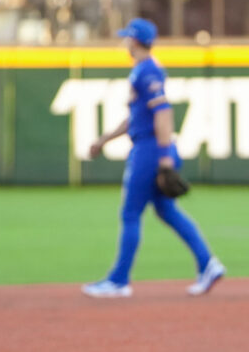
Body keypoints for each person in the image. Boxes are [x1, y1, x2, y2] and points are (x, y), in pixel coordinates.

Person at [81, 18, 225, 298]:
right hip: (150, 145)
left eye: (127, 38)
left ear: (134, 41)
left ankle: (119, 280)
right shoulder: (146, 70)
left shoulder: (146, 71)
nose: (124, 42)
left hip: (150, 149)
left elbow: (163, 113)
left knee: (131, 213)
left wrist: (163, 158)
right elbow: (137, 117)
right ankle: (208, 263)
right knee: (166, 210)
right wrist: (104, 140)